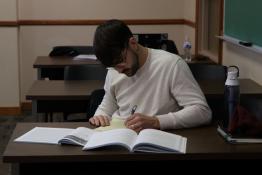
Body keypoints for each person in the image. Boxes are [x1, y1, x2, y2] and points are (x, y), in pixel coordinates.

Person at [89, 19, 212, 132]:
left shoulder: (171, 64)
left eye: (121, 62)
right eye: (113, 66)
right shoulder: (115, 70)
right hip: (121, 138)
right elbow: (107, 106)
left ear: (133, 43)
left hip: (156, 142)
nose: (119, 71)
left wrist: (156, 121)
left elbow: (202, 111)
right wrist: (100, 116)